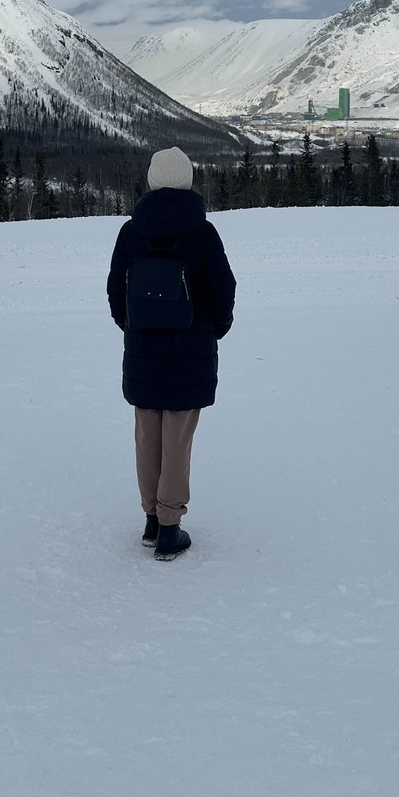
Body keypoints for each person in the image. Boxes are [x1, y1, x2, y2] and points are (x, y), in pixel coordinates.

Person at [106, 146, 236, 560]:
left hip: (144, 350)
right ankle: (169, 527)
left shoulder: (131, 231)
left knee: (147, 435)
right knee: (177, 440)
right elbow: (223, 290)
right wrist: (214, 330)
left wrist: (133, 327)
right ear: (187, 180)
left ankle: (150, 518)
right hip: (190, 351)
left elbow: (115, 290)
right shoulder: (204, 232)